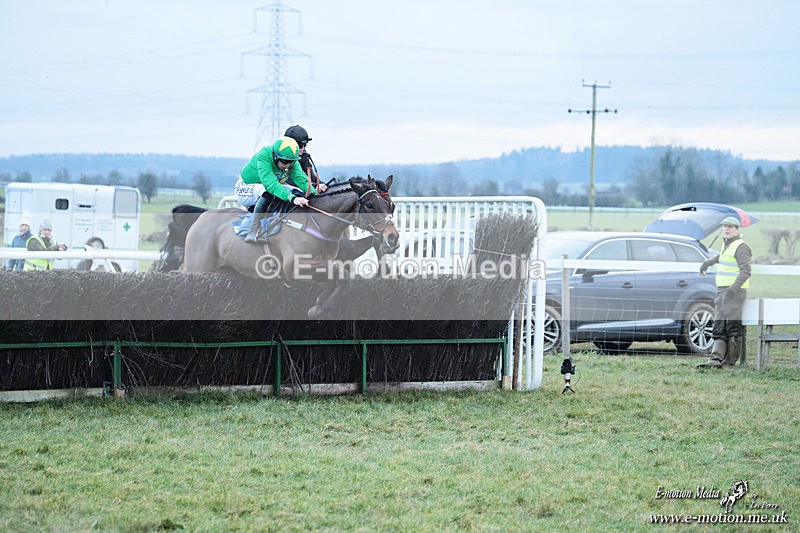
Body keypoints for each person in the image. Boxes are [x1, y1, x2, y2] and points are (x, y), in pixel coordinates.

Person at [234, 136, 327, 243]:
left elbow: (302, 181)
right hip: (246, 187)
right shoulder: (264, 156)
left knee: (297, 191)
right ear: (275, 156)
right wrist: (293, 199)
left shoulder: (292, 160)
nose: (287, 165)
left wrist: (315, 192)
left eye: (290, 161)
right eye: (284, 161)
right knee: (267, 192)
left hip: (266, 186)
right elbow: (271, 185)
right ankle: (253, 231)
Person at [696, 216, 752, 368]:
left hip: (734, 293)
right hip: (722, 292)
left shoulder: (741, 247)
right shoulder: (727, 245)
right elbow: (723, 258)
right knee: (719, 326)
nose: (726, 229)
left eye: (730, 226)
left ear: (737, 229)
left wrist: (732, 291)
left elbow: (746, 271)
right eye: (724, 226)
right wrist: (708, 262)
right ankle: (715, 360)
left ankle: (729, 363)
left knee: (732, 327)